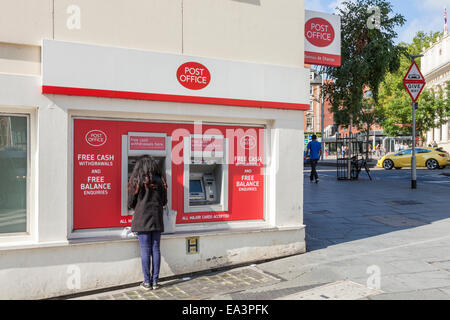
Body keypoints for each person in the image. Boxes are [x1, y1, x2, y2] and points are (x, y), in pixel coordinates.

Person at [128, 155, 168, 291]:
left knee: (145, 250)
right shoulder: (160, 180)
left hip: (142, 220)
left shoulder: (136, 180)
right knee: (156, 249)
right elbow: (164, 202)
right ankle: (155, 282)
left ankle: (147, 282)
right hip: (156, 218)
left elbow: (130, 203)